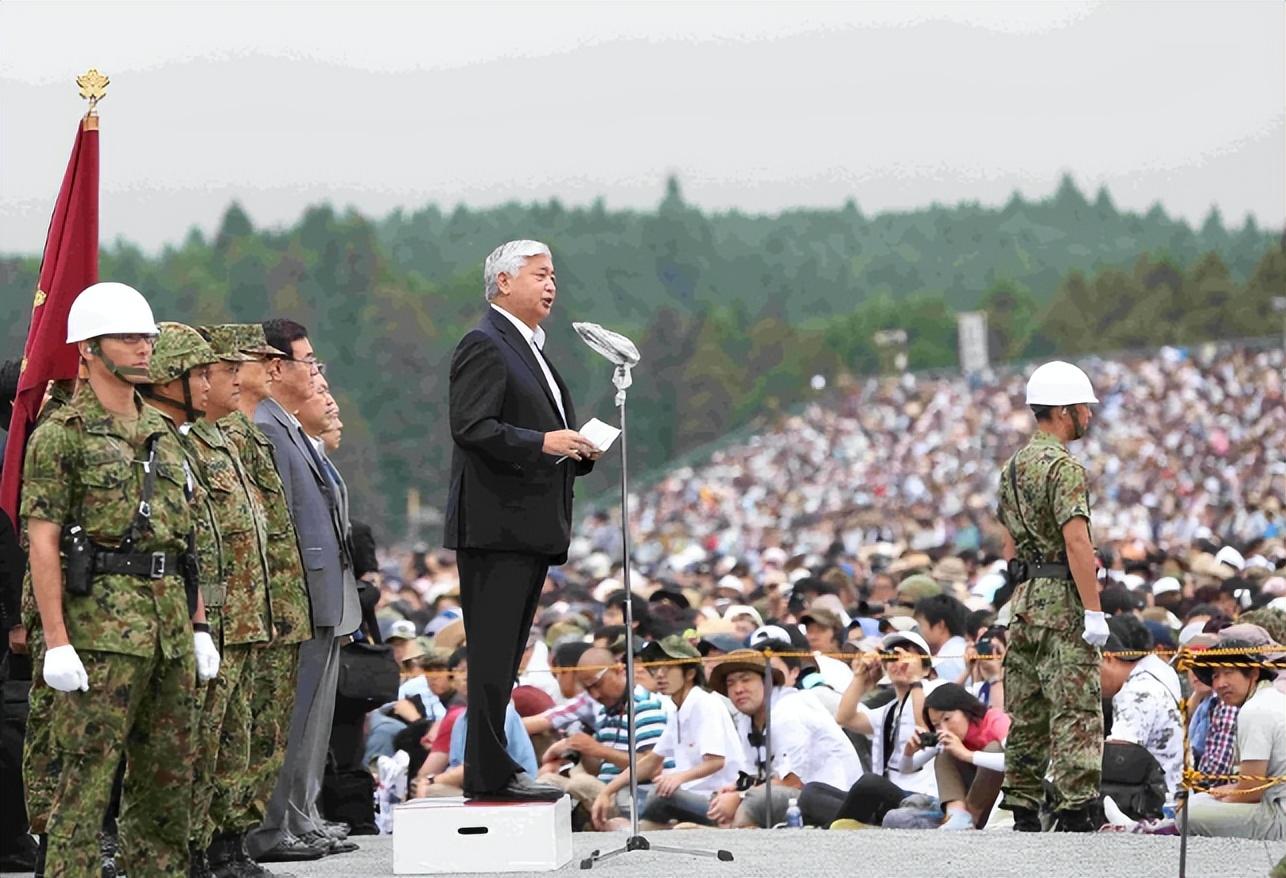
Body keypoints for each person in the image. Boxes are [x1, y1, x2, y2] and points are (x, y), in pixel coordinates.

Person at [22, 282, 218, 877]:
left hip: (166, 632)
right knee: (83, 784)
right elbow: (44, 542)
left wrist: (200, 625)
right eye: (128, 337)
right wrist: (55, 640)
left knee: (166, 788)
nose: (143, 348)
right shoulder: (64, 434)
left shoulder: (163, 434)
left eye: (147, 337)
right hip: (98, 633)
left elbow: (185, 544)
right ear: (88, 347)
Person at [443, 240, 599, 801]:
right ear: (504, 282)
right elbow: (471, 426)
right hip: (494, 529)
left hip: (529, 527)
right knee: (490, 655)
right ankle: (488, 773)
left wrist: (573, 449)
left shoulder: (532, 347)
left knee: (505, 658)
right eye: (539, 274)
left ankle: (497, 766)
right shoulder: (485, 343)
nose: (551, 284)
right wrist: (542, 442)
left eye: (554, 274)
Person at [140, 321, 262, 878]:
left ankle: (214, 845)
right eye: (209, 372)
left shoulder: (195, 439)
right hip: (188, 615)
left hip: (222, 613)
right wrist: (200, 617)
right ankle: (185, 851)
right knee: (188, 744)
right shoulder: (155, 442)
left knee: (225, 741)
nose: (223, 381)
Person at [246, 319, 360, 862]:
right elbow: (281, 520)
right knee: (293, 720)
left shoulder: (288, 424)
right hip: (301, 595)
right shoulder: (267, 425)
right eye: (306, 360)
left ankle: (301, 815)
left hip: (323, 595)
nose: (315, 370)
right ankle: (277, 824)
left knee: (313, 722)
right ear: (276, 366)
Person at [203, 324, 314, 876]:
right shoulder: (203, 439)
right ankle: (209, 844)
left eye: (277, 360)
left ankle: (234, 840)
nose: (273, 368)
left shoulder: (248, 437)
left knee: (259, 736)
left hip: (270, 612)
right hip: (228, 617)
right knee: (218, 738)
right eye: (257, 360)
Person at [996, 360, 1106, 832]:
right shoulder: (1064, 467)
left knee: (1027, 711)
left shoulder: (1013, 466)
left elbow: (1008, 545)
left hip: (1024, 599)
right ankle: (1076, 806)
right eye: (1084, 408)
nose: (1089, 416)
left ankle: (1022, 804)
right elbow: (1077, 542)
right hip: (1062, 597)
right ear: (1064, 411)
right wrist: (1094, 611)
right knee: (1076, 708)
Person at [591, 635, 743, 830]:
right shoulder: (676, 708)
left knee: (659, 794)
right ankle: (634, 827)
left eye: (668, 667)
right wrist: (607, 791)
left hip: (717, 799)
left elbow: (716, 761)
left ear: (689, 673)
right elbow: (651, 761)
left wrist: (678, 777)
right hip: (690, 796)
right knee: (629, 827)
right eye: (656, 668)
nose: (659, 674)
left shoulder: (704, 703)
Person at [708, 649, 861, 828]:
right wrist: (736, 788)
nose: (738, 689)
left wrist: (740, 796)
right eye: (731, 683)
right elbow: (755, 776)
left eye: (746, 679)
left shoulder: (788, 711)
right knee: (719, 799)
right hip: (795, 796)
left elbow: (793, 782)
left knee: (755, 801)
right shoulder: (746, 719)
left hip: (836, 801)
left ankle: (737, 847)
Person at [819, 631, 942, 826]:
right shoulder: (889, 709)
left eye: (909, 655)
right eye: (892, 657)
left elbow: (925, 730)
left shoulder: (935, 690)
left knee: (868, 783)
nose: (898, 662)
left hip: (920, 798)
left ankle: (833, 832)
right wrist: (861, 678)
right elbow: (845, 718)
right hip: (884, 796)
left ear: (927, 668)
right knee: (813, 792)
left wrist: (915, 679)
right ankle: (848, 826)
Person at [1186, 624, 1286, 840]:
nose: (1220, 683)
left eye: (1228, 673)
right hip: (1272, 804)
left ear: (1254, 672)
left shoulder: (1255, 710)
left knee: (1187, 813)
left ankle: (1153, 829)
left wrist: (1221, 798)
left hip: (1280, 818)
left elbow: (1251, 790)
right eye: (1215, 676)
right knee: (1200, 800)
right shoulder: (1272, 699)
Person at [893, 683, 1009, 830]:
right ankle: (957, 814)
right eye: (937, 725)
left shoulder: (994, 720)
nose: (943, 729)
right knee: (945, 752)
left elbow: (1017, 760)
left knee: (993, 749)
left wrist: (967, 755)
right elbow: (906, 769)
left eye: (947, 719)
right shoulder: (947, 738)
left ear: (965, 710)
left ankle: (970, 817)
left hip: (998, 801)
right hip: (964, 802)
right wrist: (908, 753)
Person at [1099, 614, 1184, 798]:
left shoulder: (1135, 692)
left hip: (1154, 803)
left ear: (1108, 658)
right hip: (1173, 791)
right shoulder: (1161, 671)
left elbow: (1119, 759)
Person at [913, 594, 970, 683]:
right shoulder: (963, 647)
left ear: (940, 625)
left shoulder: (946, 661)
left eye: (921, 624)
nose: (918, 631)